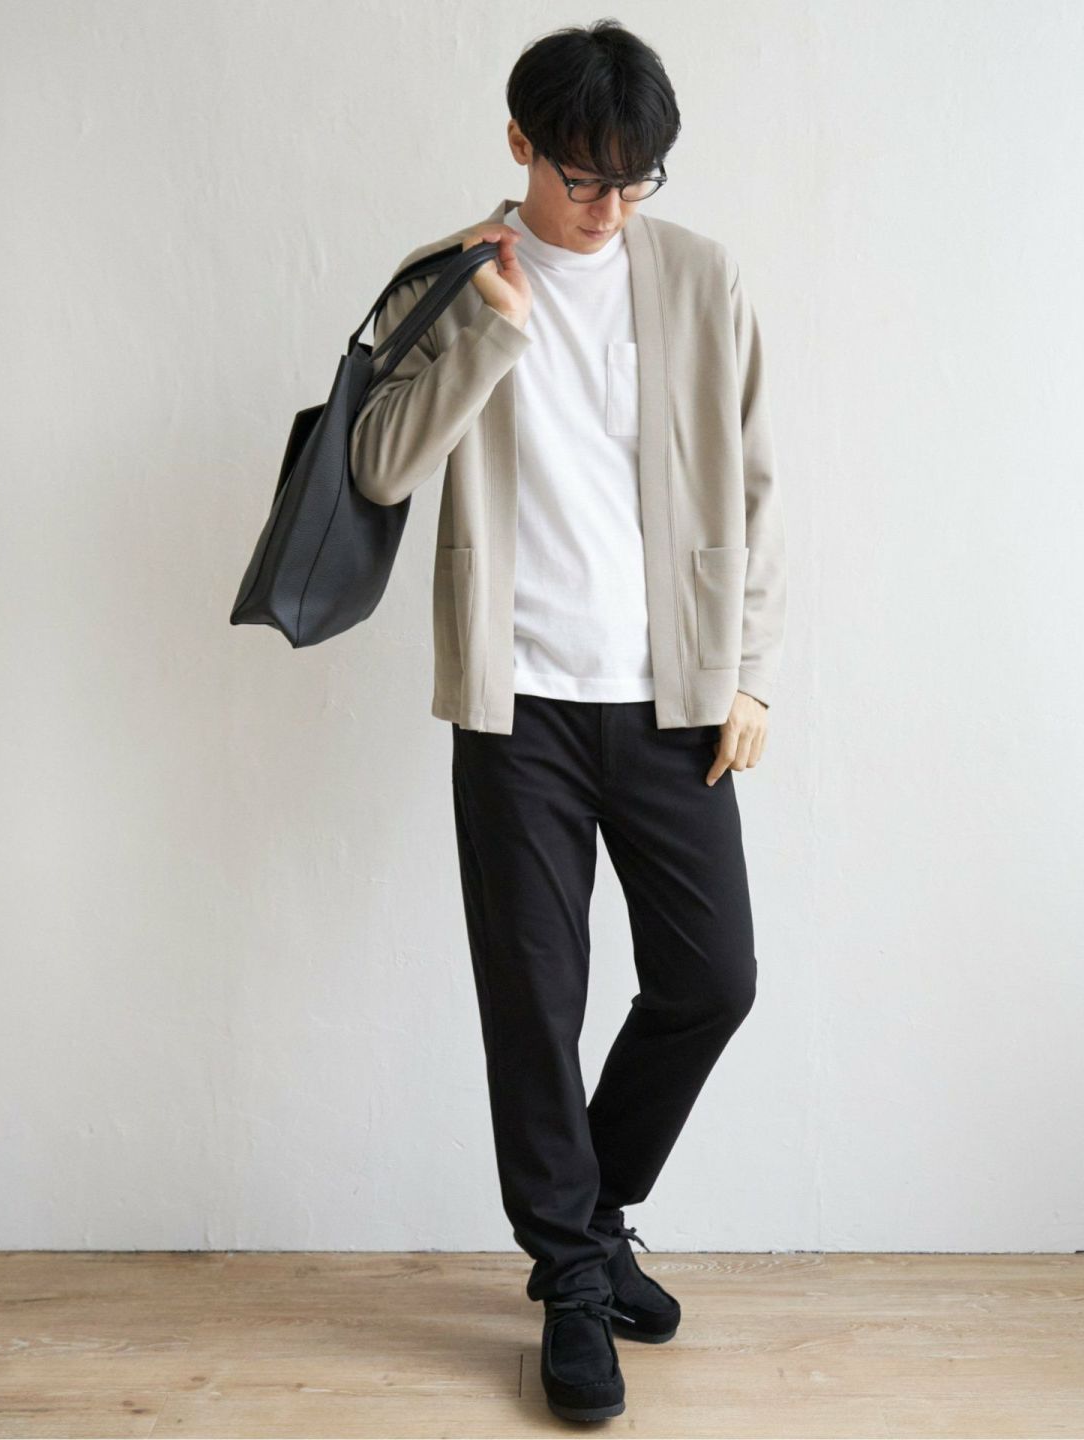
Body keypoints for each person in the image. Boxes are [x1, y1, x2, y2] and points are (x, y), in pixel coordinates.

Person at [349, 18, 787, 1424]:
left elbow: (757, 485)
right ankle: (574, 1286)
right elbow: (378, 464)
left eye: (635, 180)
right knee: (535, 1007)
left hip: (672, 703)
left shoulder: (701, 277)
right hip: (518, 707)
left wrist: (752, 673)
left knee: (713, 978)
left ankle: (590, 1223)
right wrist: (487, 325)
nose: (609, 208)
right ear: (520, 144)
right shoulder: (447, 277)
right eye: (585, 178)